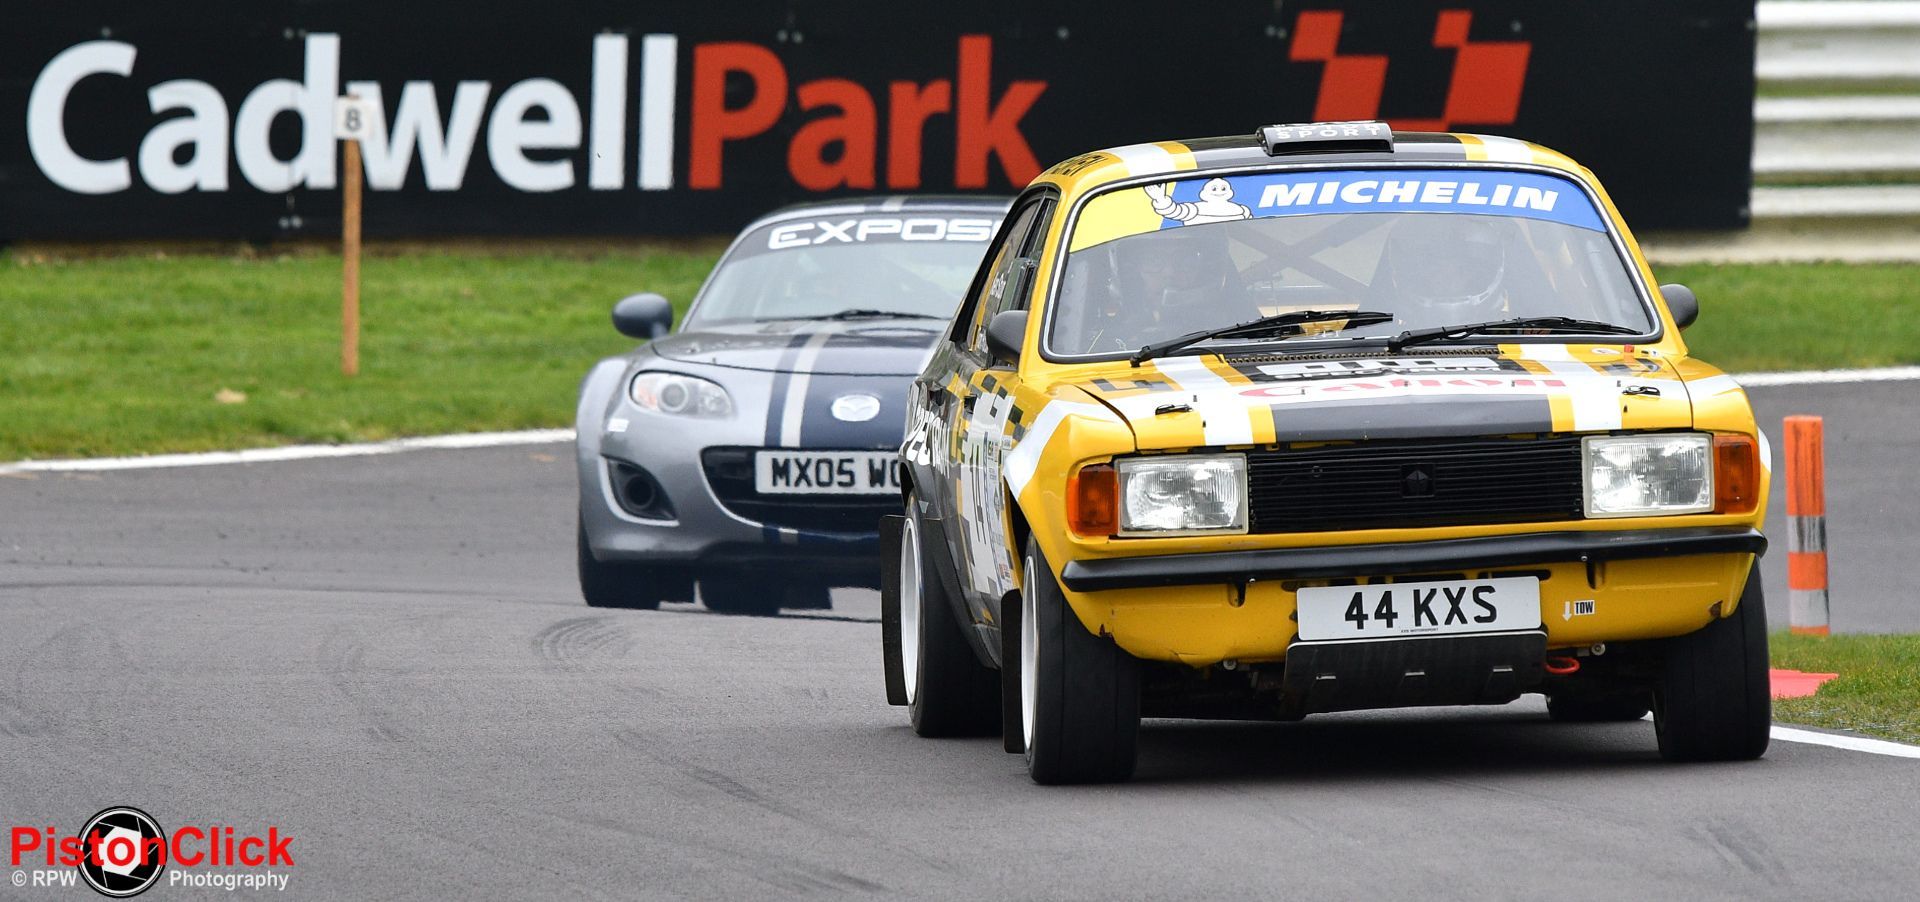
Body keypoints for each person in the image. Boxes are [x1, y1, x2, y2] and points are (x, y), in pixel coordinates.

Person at [1379, 214, 1513, 323]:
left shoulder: (1517, 335)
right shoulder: (1378, 336)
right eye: (1436, 268)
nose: (1448, 278)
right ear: (1415, 274)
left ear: (1479, 274)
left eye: (1462, 269)